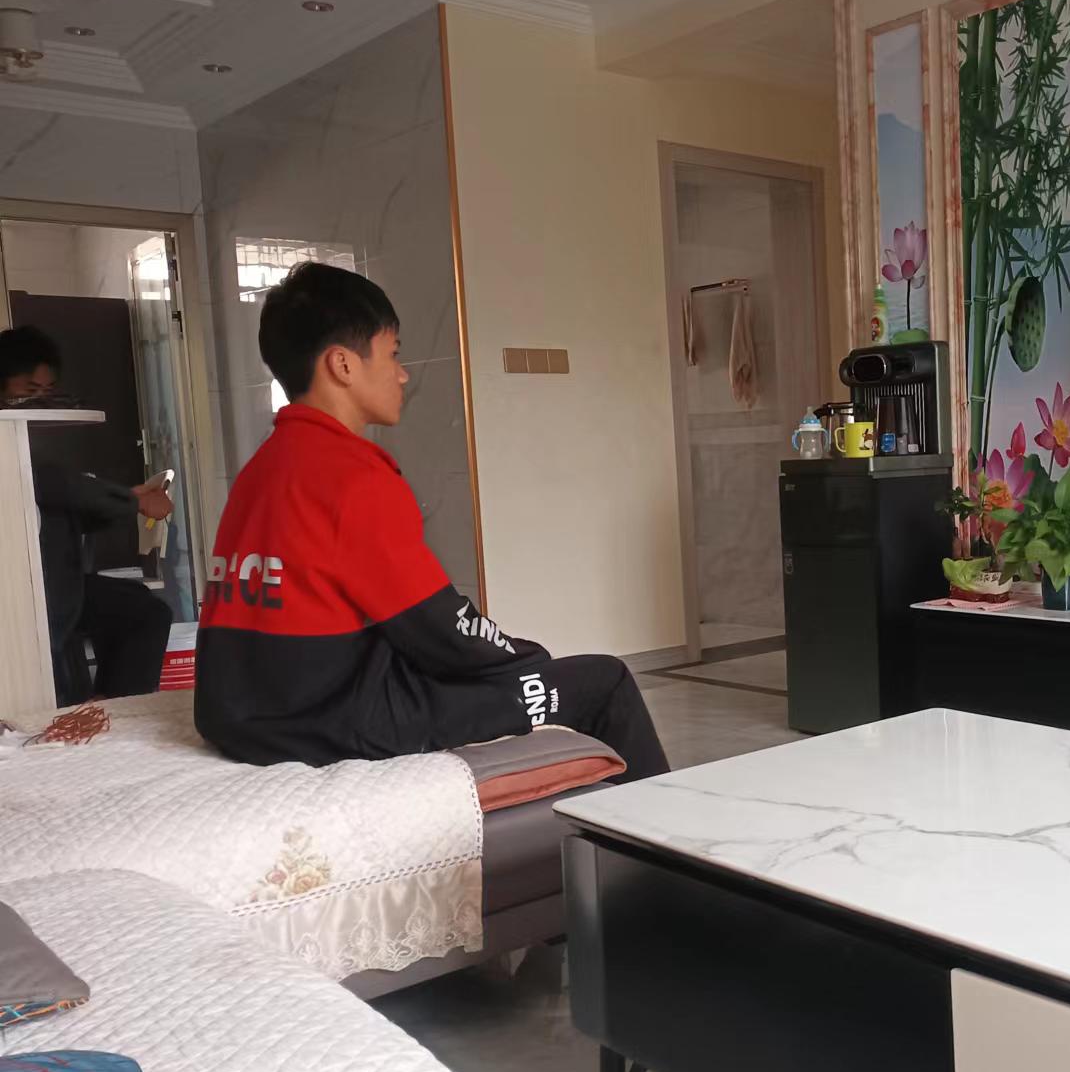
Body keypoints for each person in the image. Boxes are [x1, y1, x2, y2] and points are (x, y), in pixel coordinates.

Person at [194, 262, 669, 776]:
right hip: (330, 719)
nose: (402, 374)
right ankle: (666, 830)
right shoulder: (353, 476)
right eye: (392, 354)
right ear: (343, 365)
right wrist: (528, 662)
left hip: (237, 716)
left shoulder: (262, 468)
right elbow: (441, 630)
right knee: (604, 682)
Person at [1, 326, 173, 705]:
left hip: (58, 582)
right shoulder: (8, 449)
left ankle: (112, 708)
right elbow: (51, 483)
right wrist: (133, 502)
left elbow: (65, 506)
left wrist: (125, 498)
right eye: (29, 390)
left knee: (143, 610)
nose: (40, 401)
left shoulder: (26, 443)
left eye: (47, 391)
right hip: (25, 594)